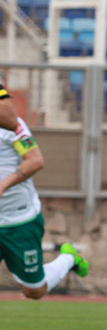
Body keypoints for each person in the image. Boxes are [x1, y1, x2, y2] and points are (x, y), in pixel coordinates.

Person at [0, 115, 89, 298]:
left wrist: (2, 185)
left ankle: (68, 258)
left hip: (19, 221)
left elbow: (35, 161)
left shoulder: (12, 125)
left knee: (34, 290)